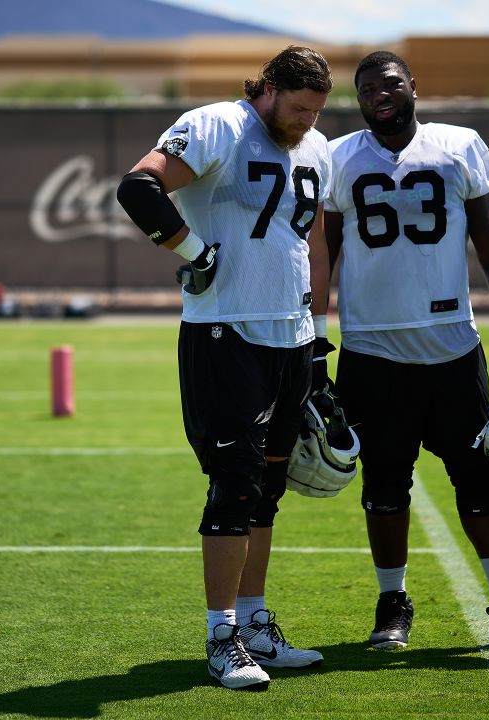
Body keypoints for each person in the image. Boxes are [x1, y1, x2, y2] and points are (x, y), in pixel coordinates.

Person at [315, 51, 489, 652]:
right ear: (357, 100)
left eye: (389, 82)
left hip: (453, 348)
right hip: (371, 351)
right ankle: (392, 605)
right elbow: (322, 256)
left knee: (480, 479)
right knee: (384, 485)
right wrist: (314, 338)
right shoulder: (337, 157)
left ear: (414, 85)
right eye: (366, 89)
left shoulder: (459, 145)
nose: (379, 94)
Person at [116, 46, 334, 690]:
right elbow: (138, 186)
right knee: (234, 484)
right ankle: (221, 634)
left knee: (269, 487)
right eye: (297, 108)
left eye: (317, 111)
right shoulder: (217, 125)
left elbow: (310, 242)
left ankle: (257, 621)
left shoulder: (316, 146)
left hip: (289, 336)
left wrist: (318, 343)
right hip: (225, 331)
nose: (306, 122)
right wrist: (193, 251)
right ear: (267, 88)